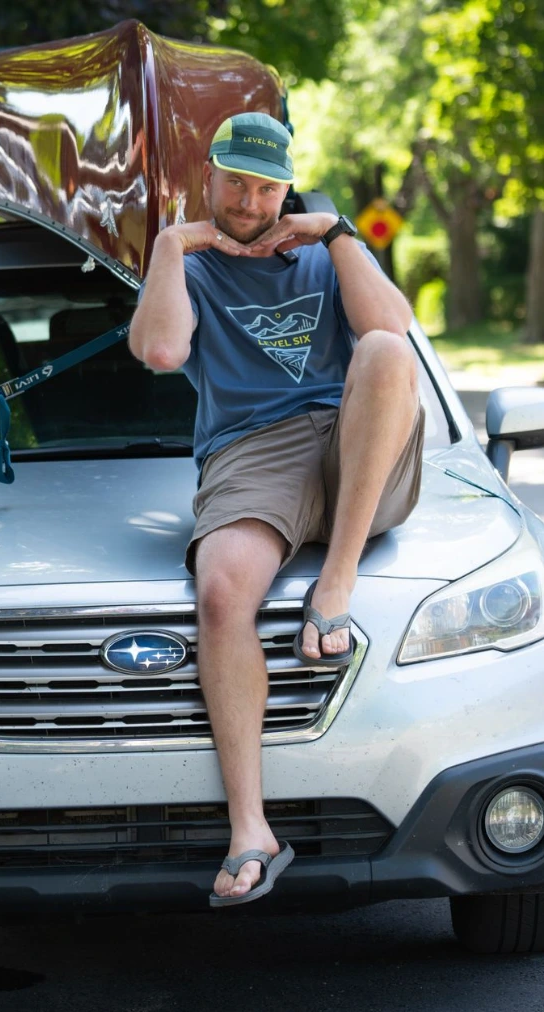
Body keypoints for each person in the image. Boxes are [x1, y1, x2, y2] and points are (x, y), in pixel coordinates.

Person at [128, 111, 422, 906]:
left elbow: (394, 332)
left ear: (287, 186)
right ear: (209, 179)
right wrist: (169, 244)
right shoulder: (186, 262)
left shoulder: (326, 248)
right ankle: (251, 826)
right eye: (236, 182)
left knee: (387, 350)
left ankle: (337, 577)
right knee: (221, 589)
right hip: (254, 447)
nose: (251, 201)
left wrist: (336, 232)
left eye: (267, 186)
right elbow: (160, 351)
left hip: (361, 434)